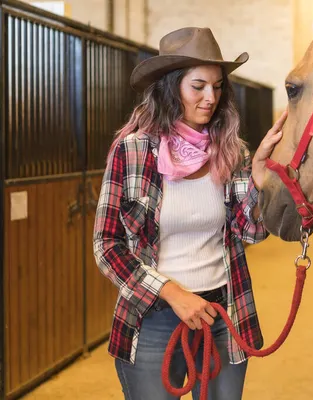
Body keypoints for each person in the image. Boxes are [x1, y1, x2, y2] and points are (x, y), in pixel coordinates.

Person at [93, 26, 286, 400]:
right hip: (154, 318)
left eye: (217, 86)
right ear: (171, 87)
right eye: (198, 86)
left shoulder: (233, 151)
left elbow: (250, 233)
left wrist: (259, 183)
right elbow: (107, 244)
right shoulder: (132, 152)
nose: (210, 97)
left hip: (223, 311)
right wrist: (172, 293)